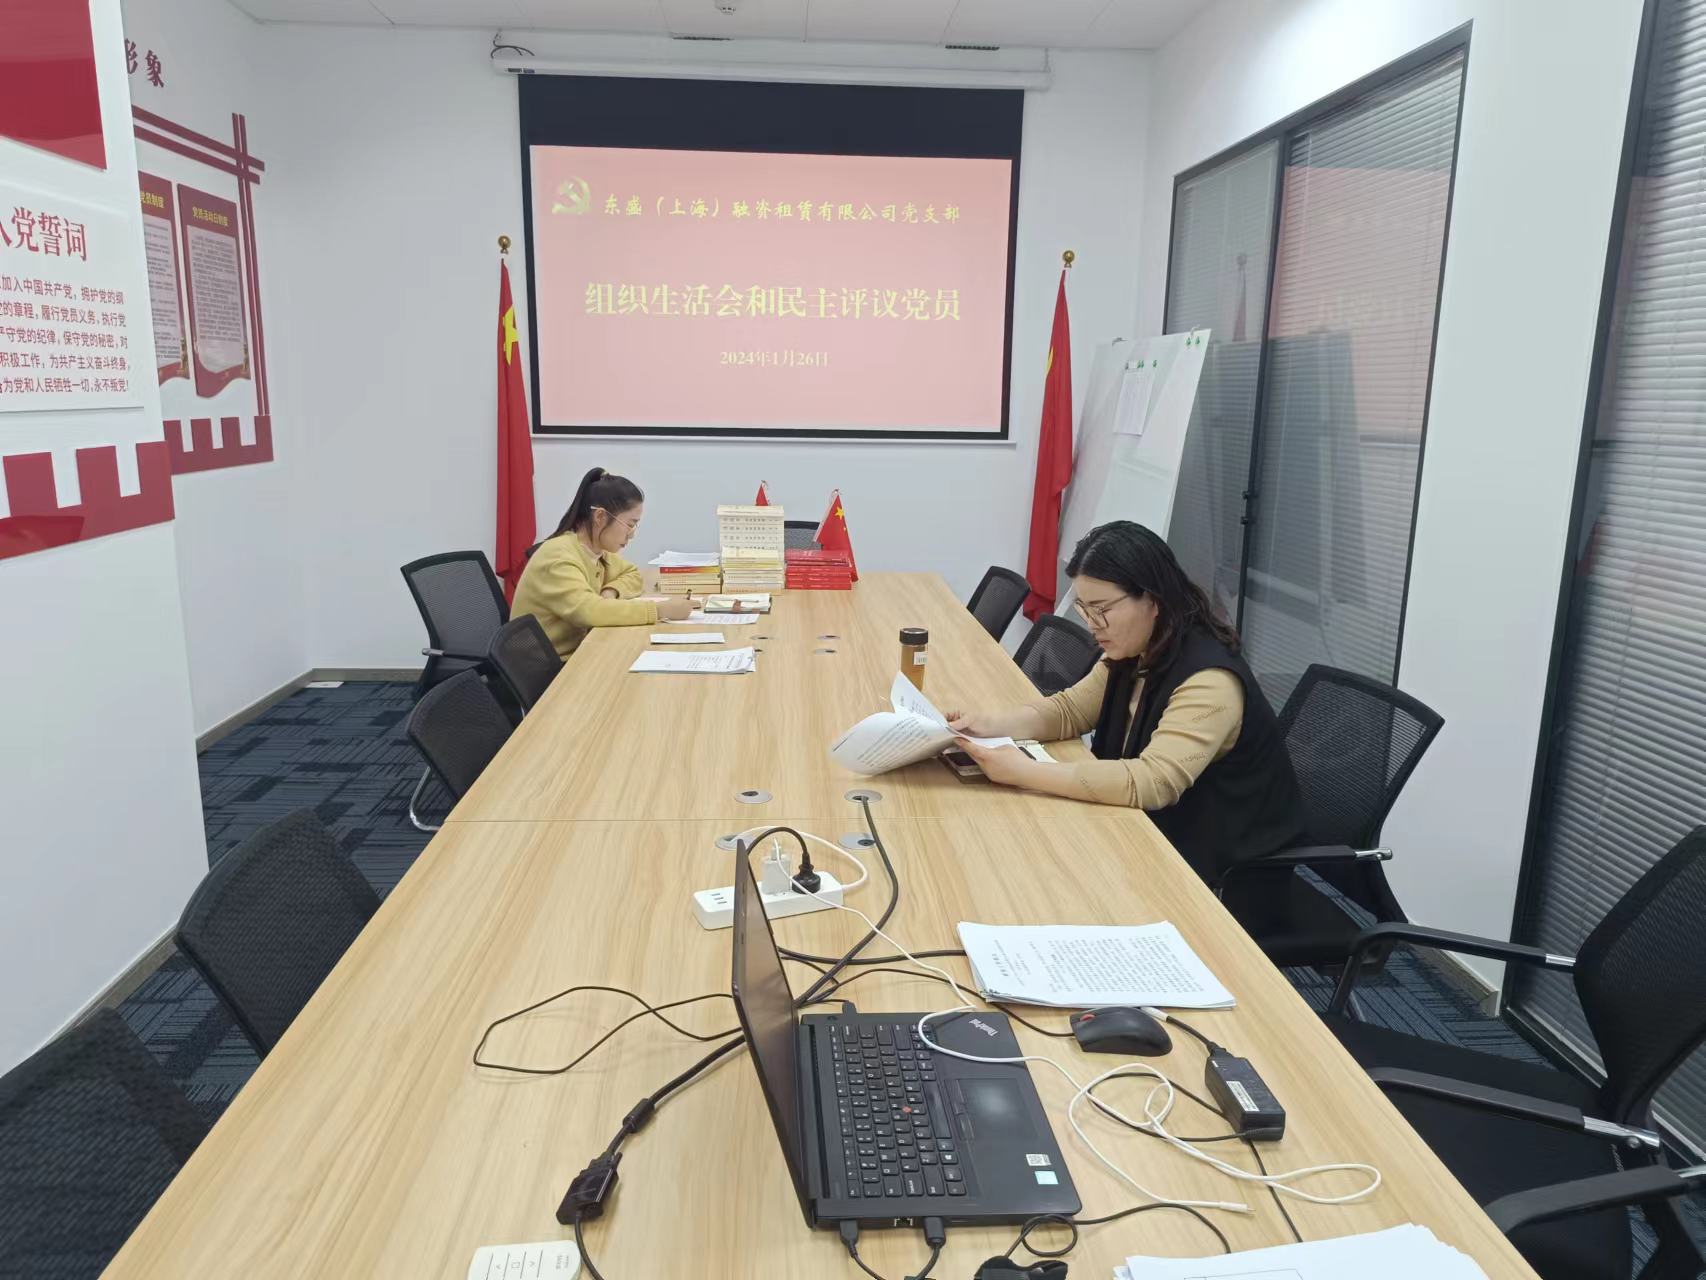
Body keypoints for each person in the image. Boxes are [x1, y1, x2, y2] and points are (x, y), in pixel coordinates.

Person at [949, 521, 1305, 883]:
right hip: (1142, 836)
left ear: (1152, 599)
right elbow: (1070, 711)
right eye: (1085, 609)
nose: (1093, 624)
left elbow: (1153, 782)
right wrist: (985, 726)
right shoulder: (1138, 649)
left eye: (1102, 609)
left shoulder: (1209, 681)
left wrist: (1022, 771)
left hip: (1219, 875)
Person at [512, 467, 692, 659]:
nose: (632, 535)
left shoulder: (596, 551)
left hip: (579, 651)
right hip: (549, 667)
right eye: (630, 525)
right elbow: (588, 611)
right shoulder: (558, 557)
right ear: (600, 516)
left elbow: (632, 574)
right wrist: (659, 610)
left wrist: (610, 591)